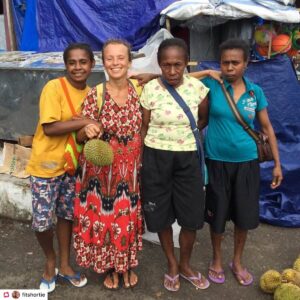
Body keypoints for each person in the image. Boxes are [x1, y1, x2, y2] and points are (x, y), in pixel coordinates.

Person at [199, 38, 283, 286]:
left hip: (247, 163)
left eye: (235, 62)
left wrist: (278, 164)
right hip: (216, 162)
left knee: (243, 217)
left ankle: (237, 261)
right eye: (225, 63)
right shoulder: (211, 86)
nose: (229, 67)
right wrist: (206, 71)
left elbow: (267, 127)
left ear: (246, 64)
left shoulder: (255, 92)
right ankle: (216, 259)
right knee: (217, 216)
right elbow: (181, 78)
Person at [26, 43, 98, 292]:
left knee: (66, 216)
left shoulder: (91, 94)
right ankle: (50, 260)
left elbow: (81, 135)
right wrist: (86, 121)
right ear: (65, 65)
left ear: (92, 64)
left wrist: (88, 128)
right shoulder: (54, 87)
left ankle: (66, 266)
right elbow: (50, 127)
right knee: (42, 222)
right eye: (72, 62)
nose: (78, 67)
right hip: (45, 166)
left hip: (71, 166)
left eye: (83, 62)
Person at [140, 38, 210, 292]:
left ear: (185, 63)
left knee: (191, 217)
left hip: (188, 158)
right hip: (155, 158)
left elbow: (202, 120)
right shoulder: (150, 89)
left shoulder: (198, 88)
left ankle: (186, 264)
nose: (171, 71)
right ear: (159, 64)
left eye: (177, 65)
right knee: (160, 215)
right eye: (166, 65)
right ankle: (171, 263)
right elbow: (145, 126)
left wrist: (180, 140)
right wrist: (141, 158)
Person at [73, 39, 143, 290]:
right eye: (110, 58)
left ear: (129, 61)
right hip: (102, 172)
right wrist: (87, 130)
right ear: (103, 62)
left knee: (126, 219)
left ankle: (127, 266)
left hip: (131, 170)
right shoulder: (96, 94)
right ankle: (112, 268)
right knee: (107, 219)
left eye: (120, 58)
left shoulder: (140, 89)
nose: (115, 63)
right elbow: (79, 136)